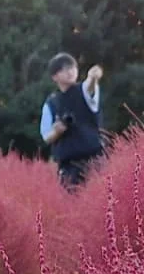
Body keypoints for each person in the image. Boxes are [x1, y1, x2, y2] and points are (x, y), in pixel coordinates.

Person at [41, 53, 105, 190]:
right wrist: (57, 131)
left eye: (72, 67)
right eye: (64, 69)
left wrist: (93, 77)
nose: (70, 71)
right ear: (55, 77)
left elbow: (90, 86)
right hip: (69, 167)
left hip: (95, 161)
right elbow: (46, 136)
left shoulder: (83, 90)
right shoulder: (51, 103)